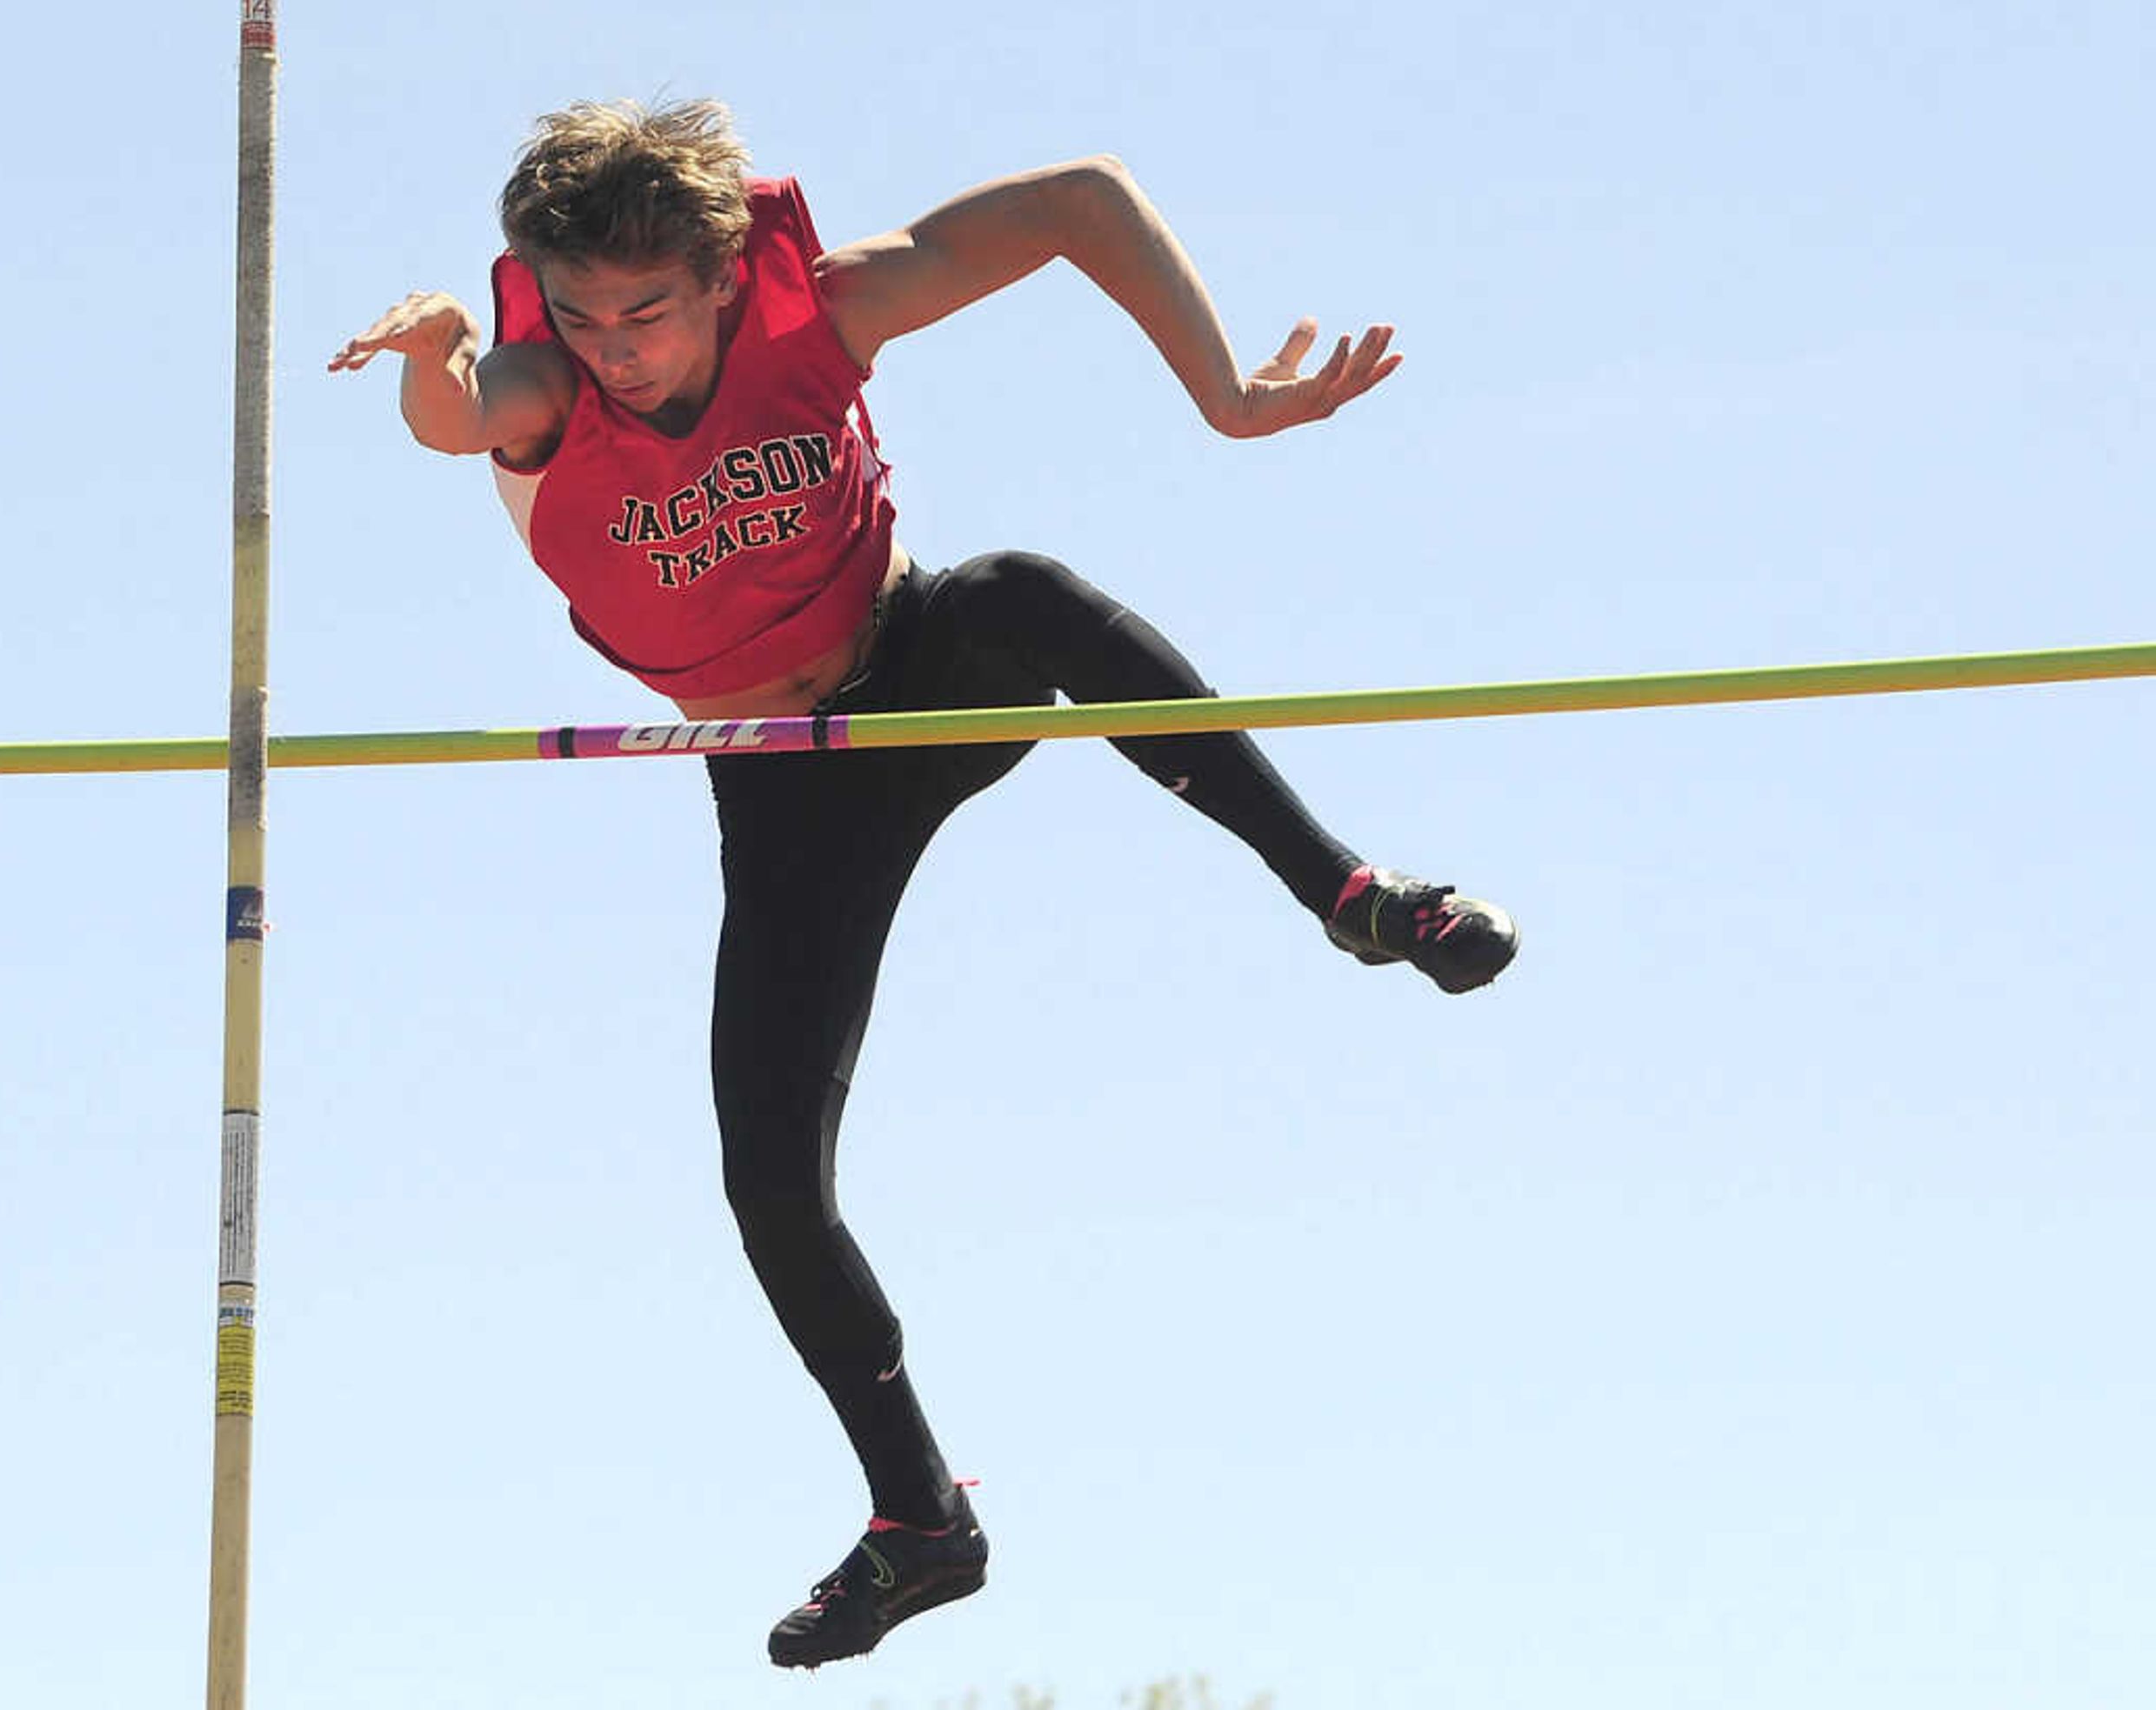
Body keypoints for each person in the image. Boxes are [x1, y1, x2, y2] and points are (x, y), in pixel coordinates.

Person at [329, 99, 1517, 1671]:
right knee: (768, 1185)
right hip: (785, 784)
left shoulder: (817, 304)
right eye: (588, 315)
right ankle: (920, 1522)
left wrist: (1227, 399)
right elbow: (468, 413)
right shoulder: (545, 382)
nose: (620, 350)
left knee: (1024, 592)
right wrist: (436, 357)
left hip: (914, 672)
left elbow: (1081, 197)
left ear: (724, 272)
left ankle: (1351, 893)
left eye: (654, 311)